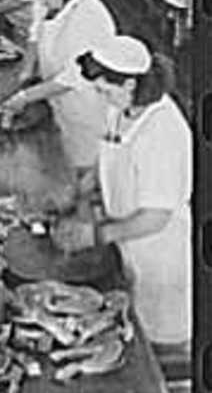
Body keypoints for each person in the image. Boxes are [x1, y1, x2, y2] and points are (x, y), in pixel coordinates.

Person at [75, 35, 191, 348]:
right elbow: (111, 152)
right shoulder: (123, 107)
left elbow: (156, 217)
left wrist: (95, 235)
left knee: (154, 338)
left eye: (105, 89)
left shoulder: (162, 132)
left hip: (157, 251)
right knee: (126, 321)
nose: (101, 96)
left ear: (128, 84)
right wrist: (85, 187)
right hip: (126, 237)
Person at [2, 0, 116, 171]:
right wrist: (26, 73)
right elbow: (35, 33)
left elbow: (73, 77)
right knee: (61, 140)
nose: (40, 1)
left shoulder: (92, 19)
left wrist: (26, 96)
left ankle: (80, 191)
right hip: (55, 90)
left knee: (83, 158)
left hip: (83, 102)